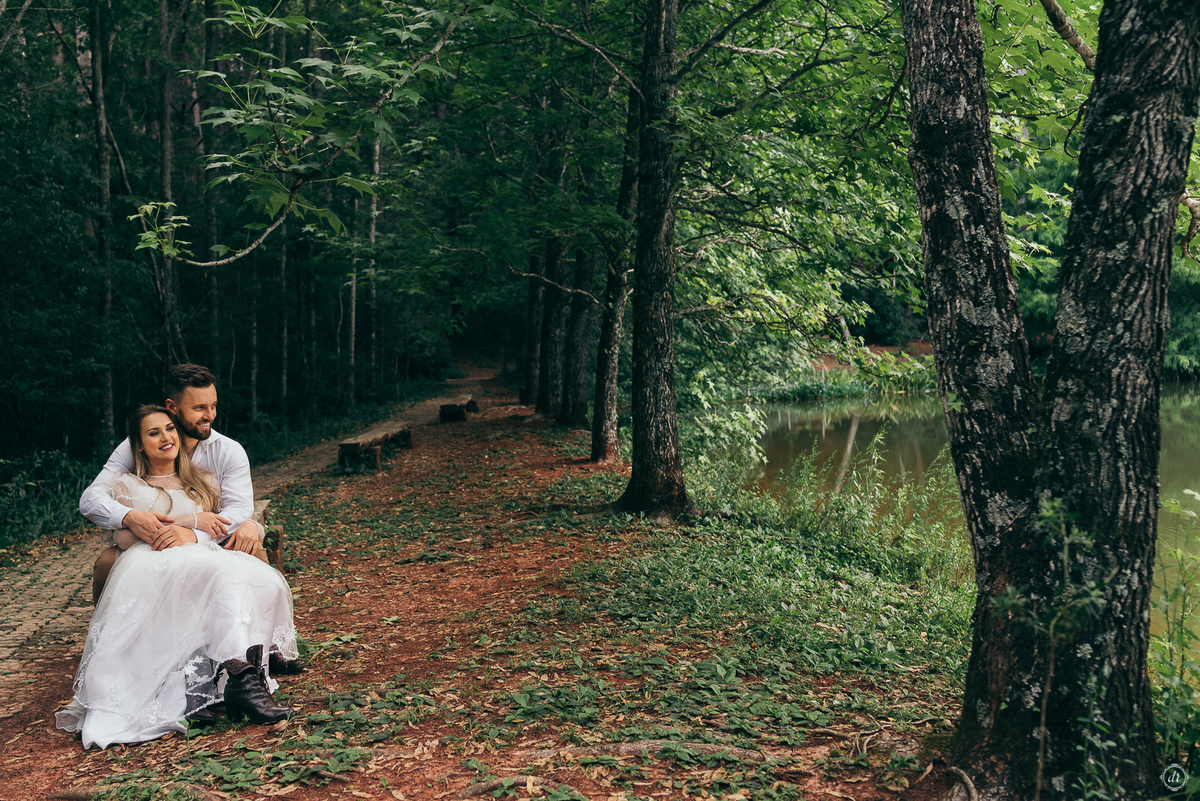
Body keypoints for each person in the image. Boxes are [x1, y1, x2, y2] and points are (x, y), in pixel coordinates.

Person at [57, 406, 298, 748]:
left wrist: (227, 525)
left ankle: (239, 673)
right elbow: (122, 535)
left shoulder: (202, 481)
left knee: (252, 577)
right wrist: (190, 521)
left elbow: (224, 523)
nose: (166, 437)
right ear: (139, 446)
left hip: (200, 554)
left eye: (169, 429)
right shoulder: (127, 484)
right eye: (153, 433)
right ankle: (222, 682)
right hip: (152, 560)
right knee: (220, 574)